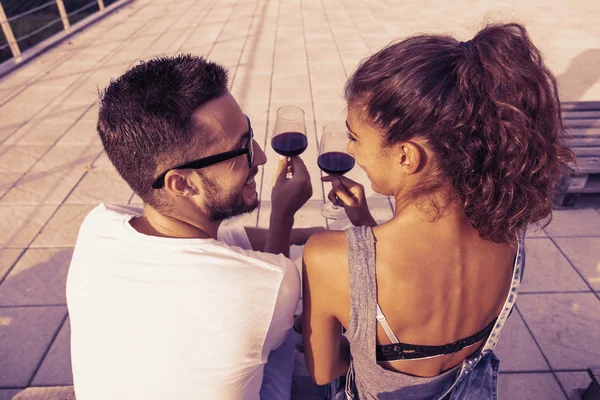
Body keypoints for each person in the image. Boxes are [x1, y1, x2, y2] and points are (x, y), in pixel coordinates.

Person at [301, 23, 574, 399]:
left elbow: (324, 370)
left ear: (406, 155)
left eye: (354, 137)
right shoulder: (507, 231)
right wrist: (365, 223)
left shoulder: (327, 257)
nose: (349, 152)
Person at [66, 55, 317, 400]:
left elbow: (222, 245)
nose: (258, 156)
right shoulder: (268, 284)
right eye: (240, 148)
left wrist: (302, 232)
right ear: (181, 184)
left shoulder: (99, 226)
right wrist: (284, 216)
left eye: (250, 135)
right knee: (286, 343)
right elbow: (265, 282)